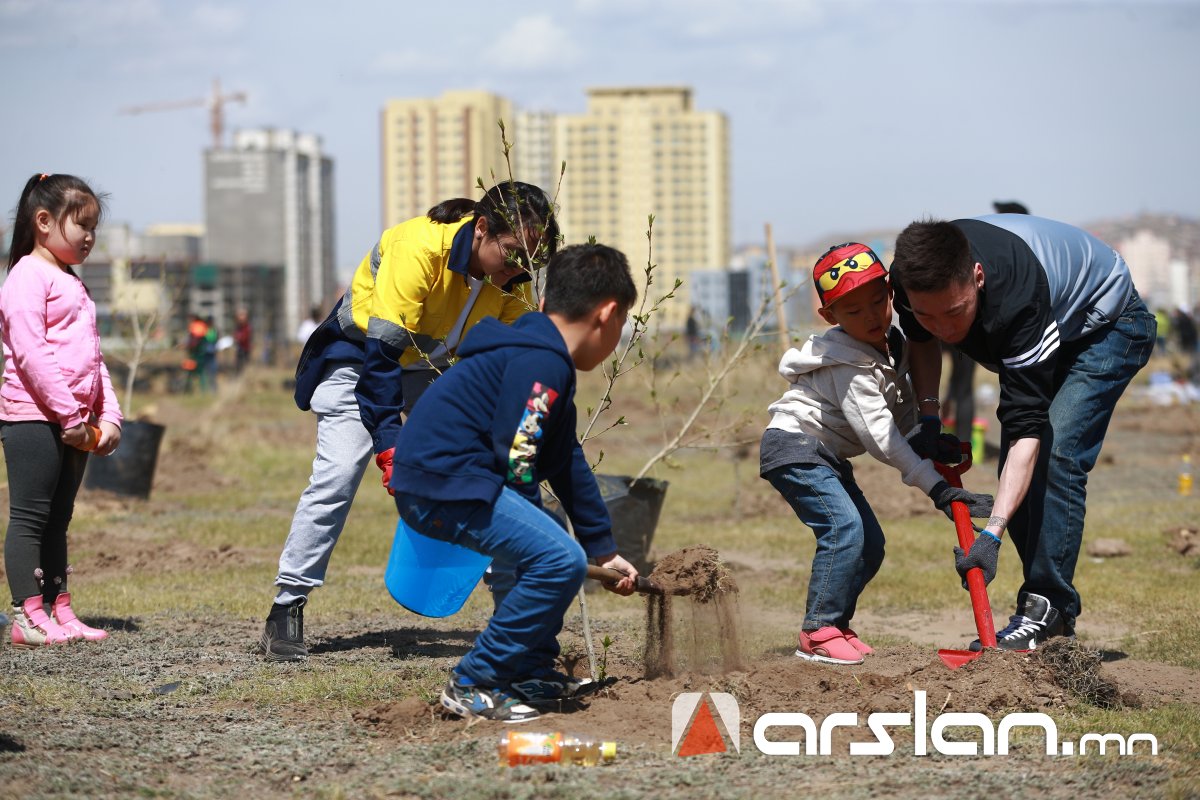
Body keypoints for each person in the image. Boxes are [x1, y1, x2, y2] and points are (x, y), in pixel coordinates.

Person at [259, 181, 559, 662]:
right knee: (337, 474)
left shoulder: (512, 278)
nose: (520, 267)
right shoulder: (417, 250)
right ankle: (287, 604)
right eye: (513, 252)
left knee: (488, 465)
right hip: (360, 360)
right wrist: (391, 448)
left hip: (433, 369)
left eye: (531, 259)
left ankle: (515, 607)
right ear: (482, 228)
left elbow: (502, 367)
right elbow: (379, 367)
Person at [391, 243, 640, 723]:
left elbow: (566, 459)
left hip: (451, 482)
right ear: (608, 314)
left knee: (547, 553)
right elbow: (519, 454)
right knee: (555, 558)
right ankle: (475, 680)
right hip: (445, 482)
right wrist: (552, 540)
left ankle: (525, 668)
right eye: (623, 324)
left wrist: (604, 548)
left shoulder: (544, 358)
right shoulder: (539, 362)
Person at [890, 215, 1156, 651]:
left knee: (1054, 453)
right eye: (927, 313)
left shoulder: (1016, 300)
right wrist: (929, 419)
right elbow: (921, 339)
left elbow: (1026, 433)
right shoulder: (910, 278)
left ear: (977, 277)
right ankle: (1045, 617)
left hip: (1105, 326)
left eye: (954, 313)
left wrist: (991, 534)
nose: (944, 328)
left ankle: (1047, 606)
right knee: (1022, 471)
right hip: (1054, 320)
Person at [759, 243, 993, 665]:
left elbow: (897, 416)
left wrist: (926, 436)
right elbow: (881, 437)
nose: (870, 316)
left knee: (871, 544)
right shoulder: (846, 364)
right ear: (830, 317)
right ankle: (817, 631)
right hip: (794, 445)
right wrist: (937, 489)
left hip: (826, 454)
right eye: (853, 311)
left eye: (876, 301)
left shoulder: (891, 345)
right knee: (845, 529)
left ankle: (836, 625)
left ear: (891, 293)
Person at [1, 173, 122, 647]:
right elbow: (32, 353)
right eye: (82, 224)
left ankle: (58, 607)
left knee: (59, 518)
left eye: (95, 226)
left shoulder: (69, 280)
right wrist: (72, 418)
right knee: (31, 517)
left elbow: (93, 360)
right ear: (44, 221)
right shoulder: (27, 276)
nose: (90, 236)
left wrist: (108, 416)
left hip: (74, 424)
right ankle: (26, 615)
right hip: (32, 418)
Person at [233, 308, 252, 374]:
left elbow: (244, 337)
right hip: (239, 349)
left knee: (245, 366)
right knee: (238, 366)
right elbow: (236, 336)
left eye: (242, 316)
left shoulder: (247, 327)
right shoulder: (238, 327)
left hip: (245, 349)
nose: (240, 318)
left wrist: (239, 338)